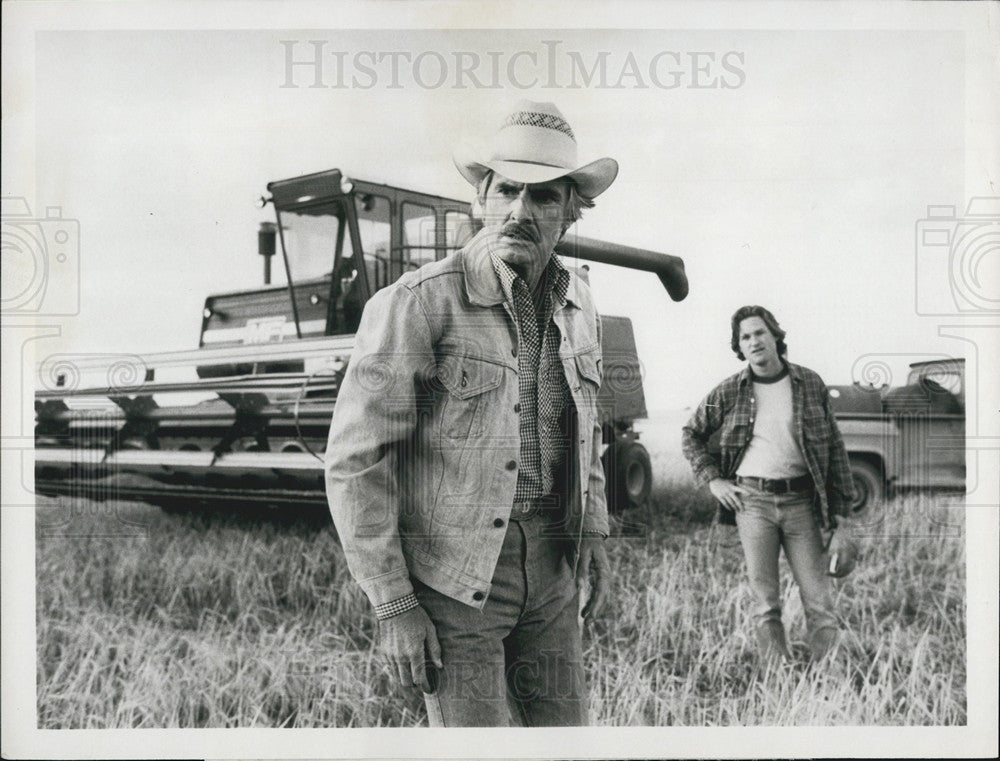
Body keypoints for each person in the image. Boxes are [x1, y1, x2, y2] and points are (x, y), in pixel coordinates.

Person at [325, 100, 617, 726]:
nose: (520, 210)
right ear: (481, 196)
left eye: (543, 197)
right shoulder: (418, 303)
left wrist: (591, 531)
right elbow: (355, 460)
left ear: (571, 211)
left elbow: (586, 432)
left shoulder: (580, 306)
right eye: (508, 190)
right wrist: (394, 604)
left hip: (552, 569)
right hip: (455, 580)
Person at [681, 305, 855, 664]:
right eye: (745, 337)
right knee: (765, 602)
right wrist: (713, 480)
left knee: (819, 599)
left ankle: (829, 676)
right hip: (753, 504)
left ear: (776, 336)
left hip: (802, 502)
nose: (754, 341)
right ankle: (776, 677)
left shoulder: (810, 383)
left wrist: (843, 521)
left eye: (760, 332)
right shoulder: (730, 390)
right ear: (739, 348)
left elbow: (835, 451)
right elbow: (691, 434)